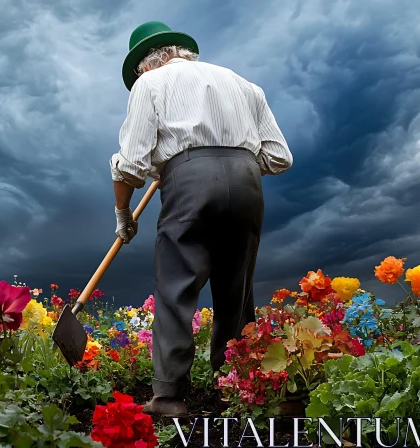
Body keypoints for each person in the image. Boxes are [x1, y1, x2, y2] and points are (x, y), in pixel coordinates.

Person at [110, 21, 293, 417]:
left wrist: (124, 213)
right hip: (248, 182)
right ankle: (239, 387)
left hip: (188, 182)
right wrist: (230, 165)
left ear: (144, 64)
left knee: (176, 288)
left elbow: (130, 167)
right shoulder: (244, 85)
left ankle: (169, 397)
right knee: (236, 292)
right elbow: (280, 157)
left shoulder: (151, 84)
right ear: (181, 51)